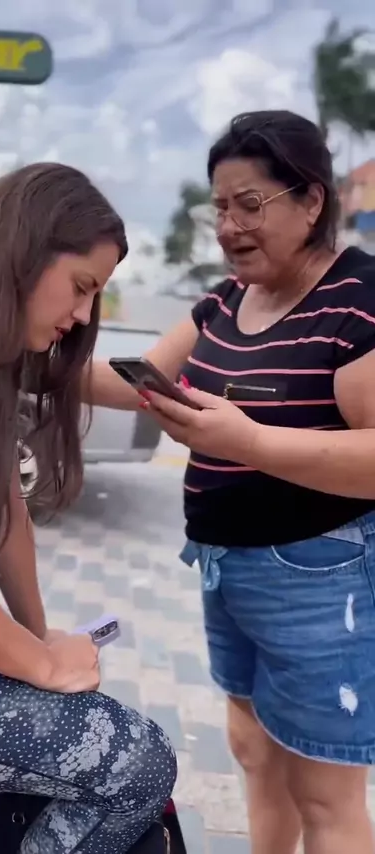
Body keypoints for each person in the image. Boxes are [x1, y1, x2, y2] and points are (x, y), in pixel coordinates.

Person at [84, 111, 375, 854]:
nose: (229, 227)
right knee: (254, 751)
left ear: (311, 200)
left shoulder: (358, 300)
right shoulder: (224, 300)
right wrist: (21, 358)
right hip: (227, 567)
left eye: (250, 205)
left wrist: (248, 442)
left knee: (325, 789)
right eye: (218, 208)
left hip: (322, 575)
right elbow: (139, 382)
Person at [0, 163, 177, 854]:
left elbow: (4, 510)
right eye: (81, 286)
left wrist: (37, 634)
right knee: (139, 765)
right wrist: (43, 667)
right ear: (24, 250)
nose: (82, 315)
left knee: (127, 748)